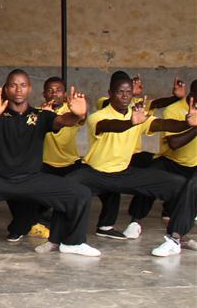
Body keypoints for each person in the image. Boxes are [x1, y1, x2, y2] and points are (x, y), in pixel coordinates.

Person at [0, 70, 95, 260]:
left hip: (32, 179)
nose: (18, 89)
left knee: (80, 193)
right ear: (7, 89)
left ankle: (73, 243)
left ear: (29, 88)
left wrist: (78, 114)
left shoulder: (41, 115)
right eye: (13, 85)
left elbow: (63, 120)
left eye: (23, 85)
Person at [64, 74, 196, 257]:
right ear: (110, 93)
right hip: (94, 173)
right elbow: (111, 125)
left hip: (123, 173)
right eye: (120, 92)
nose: (125, 95)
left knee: (181, 184)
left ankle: (175, 238)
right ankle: (65, 241)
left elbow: (162, 124)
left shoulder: (138, 115)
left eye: (128, 92)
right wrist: (130, 123)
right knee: (69, 186)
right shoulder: (98, 117)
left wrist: (186, 123)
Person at [122, 79, 196, 240]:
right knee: (151, 177)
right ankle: (135, 221)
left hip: (194, 164)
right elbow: (174, 143)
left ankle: (176, 231)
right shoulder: (174, 109)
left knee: (191, 187)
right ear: (192, 96)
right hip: (170, 160)